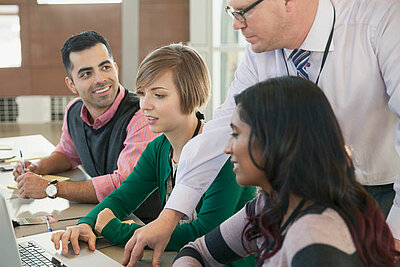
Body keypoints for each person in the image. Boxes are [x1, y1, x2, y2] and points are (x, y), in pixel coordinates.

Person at [124, 0, 400, 265]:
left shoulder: (379, 20)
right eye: (232, 11)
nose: (235, 25)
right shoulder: (262, 50)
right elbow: (222, 129)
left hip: (386, 191)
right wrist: (170, 216)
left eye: (244, 12)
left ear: (287, 1)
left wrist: (396, 234)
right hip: (304, 192)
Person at [50, 43, 256, 267]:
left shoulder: (224, 154)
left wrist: (117, 230)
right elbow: (122, 197)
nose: (144, 105)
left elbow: (206, 232)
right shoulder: (159, 147)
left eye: (158, 95)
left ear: (191, 95)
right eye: (141, 94)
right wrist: (86, 224)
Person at [173, 76, 400, 266]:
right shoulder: (271, 205)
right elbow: (197, 251)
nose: (227, 147)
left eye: (236, 134)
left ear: (276, 140)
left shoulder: (313, 235)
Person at [12, 31, 160, 222]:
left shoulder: (141, 115)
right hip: (103, 218)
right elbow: (68, 154)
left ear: (115, 68)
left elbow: (124, 184)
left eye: (105, 67)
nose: (100, 79)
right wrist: (37, 167)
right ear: (72, 85)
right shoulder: (74, 111)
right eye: (87, 73)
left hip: (143, 224)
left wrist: (50, 188)